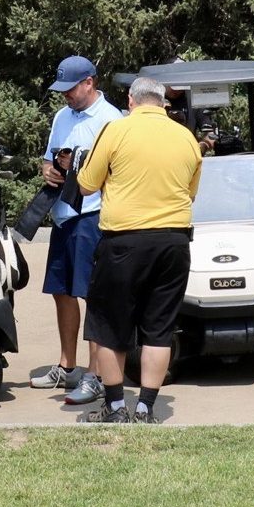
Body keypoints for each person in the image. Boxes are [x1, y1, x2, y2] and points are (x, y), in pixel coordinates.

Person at [73, 76, 204, 423]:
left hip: (124, 241)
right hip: (174, 241)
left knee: (110, 327)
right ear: (163, 103)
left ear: (130, 100)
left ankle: (115, 407)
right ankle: (146, 408)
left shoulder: (115, 130)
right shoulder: (186, 137)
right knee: (158, 328)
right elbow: (190, 193)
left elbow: (86, 185)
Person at [29, 54, 123, 406]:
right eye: (62, 90)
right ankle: (67, 367)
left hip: (93, 215)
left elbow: (114, 171)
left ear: (90, 82)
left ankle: (95, 374)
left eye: (70, 89)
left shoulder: (111, 119)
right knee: (62, 291)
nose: (65, 96)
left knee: (92, 295)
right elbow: (48, 157)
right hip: (63, 213)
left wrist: (79, 171)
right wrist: (48, 170)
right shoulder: (61, 116)